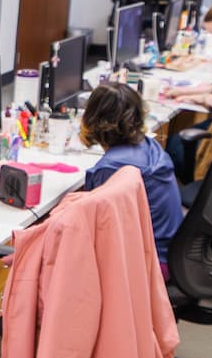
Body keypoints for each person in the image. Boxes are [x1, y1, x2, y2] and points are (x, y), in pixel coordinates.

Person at [78, 82, 182, 268]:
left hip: (150, 264)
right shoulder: (149, 146)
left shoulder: (111, 169)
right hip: (171, 252)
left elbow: (96, 232)